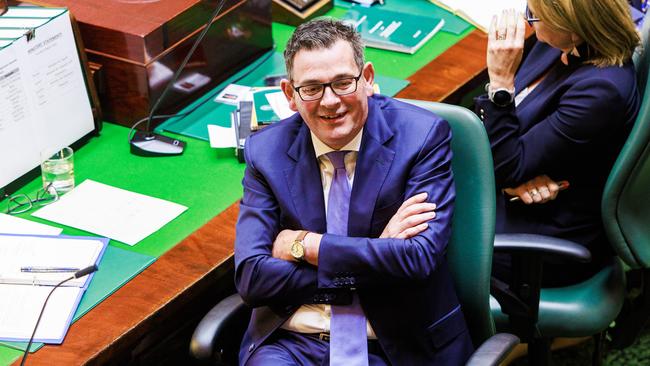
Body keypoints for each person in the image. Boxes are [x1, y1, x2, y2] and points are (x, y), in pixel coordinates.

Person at [234, 18, 473, 366]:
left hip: (394, 344)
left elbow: (418, 258)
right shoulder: (266, 152)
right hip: (292, 344)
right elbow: (253, 278)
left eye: (343, 82)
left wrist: (305, 245)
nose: (330, 101)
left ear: (369, 79)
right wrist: (379, 253)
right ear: (290, 95)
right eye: (312, 88)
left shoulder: (422, 137)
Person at [475, 0, 640, 286]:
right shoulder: (556, 44)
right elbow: (507, 159)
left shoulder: (601, 92)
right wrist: (508, 176)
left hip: (545, 237)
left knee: (421, 234)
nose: (528, 21)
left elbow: (507, 165)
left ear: (573, 27)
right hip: (513, 196)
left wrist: (500, 82)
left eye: (535, 16)